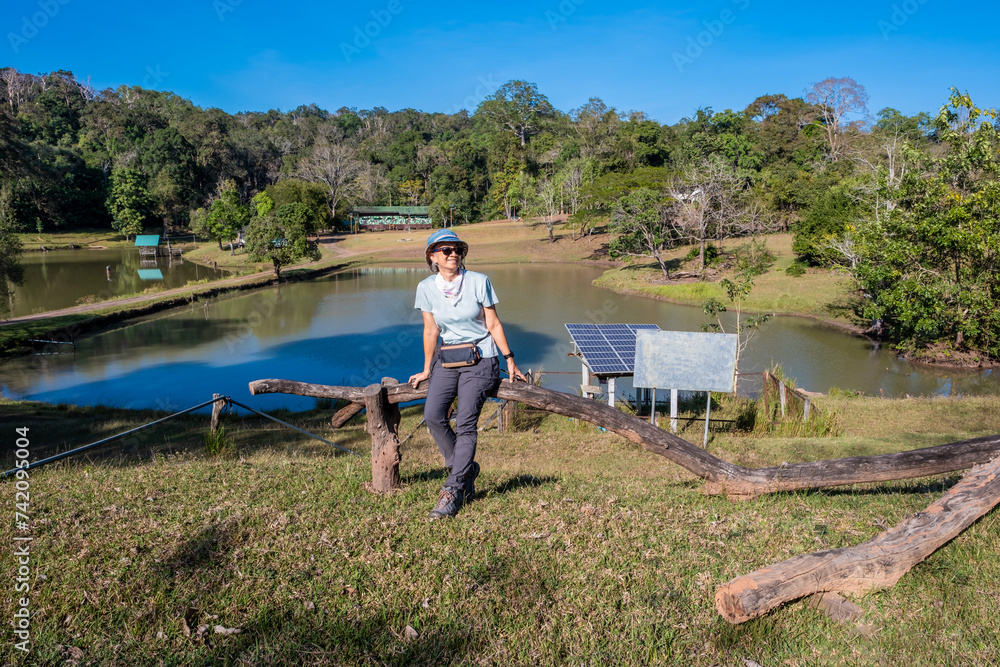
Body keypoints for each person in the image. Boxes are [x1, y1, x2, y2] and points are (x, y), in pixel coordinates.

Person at [409, 229, 526, 519]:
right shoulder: (425, 287)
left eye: (457, 249)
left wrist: (509, 359)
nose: (453, 254)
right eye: (445, 250)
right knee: (434, 415)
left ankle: (453, 488)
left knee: (465, 423)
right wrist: (426, 368)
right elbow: (431, 330)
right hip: (448, 358)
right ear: (432, 256)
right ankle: (464, 466)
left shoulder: (478, 281)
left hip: (481, 358)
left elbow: (494, 323)